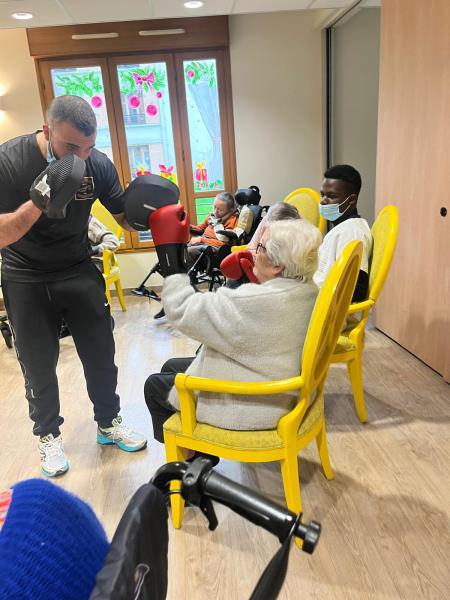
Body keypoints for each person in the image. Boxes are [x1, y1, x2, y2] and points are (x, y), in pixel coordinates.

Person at [0, 95, 147, 478]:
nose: (81, 157)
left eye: (88, 147)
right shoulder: (10, 161)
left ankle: (108, 423)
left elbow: (124, 218)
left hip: (77, 267)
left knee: (101, 352)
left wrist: (152, 210)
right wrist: (40, 199)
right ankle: (48, 436)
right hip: (25, 273)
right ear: (47, 131)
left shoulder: (96, 164)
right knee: (37, 363)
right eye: (70, 148)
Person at [144, 218, 322, 445]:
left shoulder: (255, 302)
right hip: (281, 384)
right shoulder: (310, 291)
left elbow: (180, 309)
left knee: (154, 386)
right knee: (171, 366)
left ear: (277, 265)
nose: (254, 252)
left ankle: (194, 457)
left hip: (256, 405)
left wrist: (172, 265)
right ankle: (196, 454)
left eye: (260, 247)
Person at [313, 164, 373, 302]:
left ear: (351, 200)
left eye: (331, 196)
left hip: (321, 307)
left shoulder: (352, 232)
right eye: (322, 194)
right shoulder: (343, 228)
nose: (323, 201)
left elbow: (356, 289)